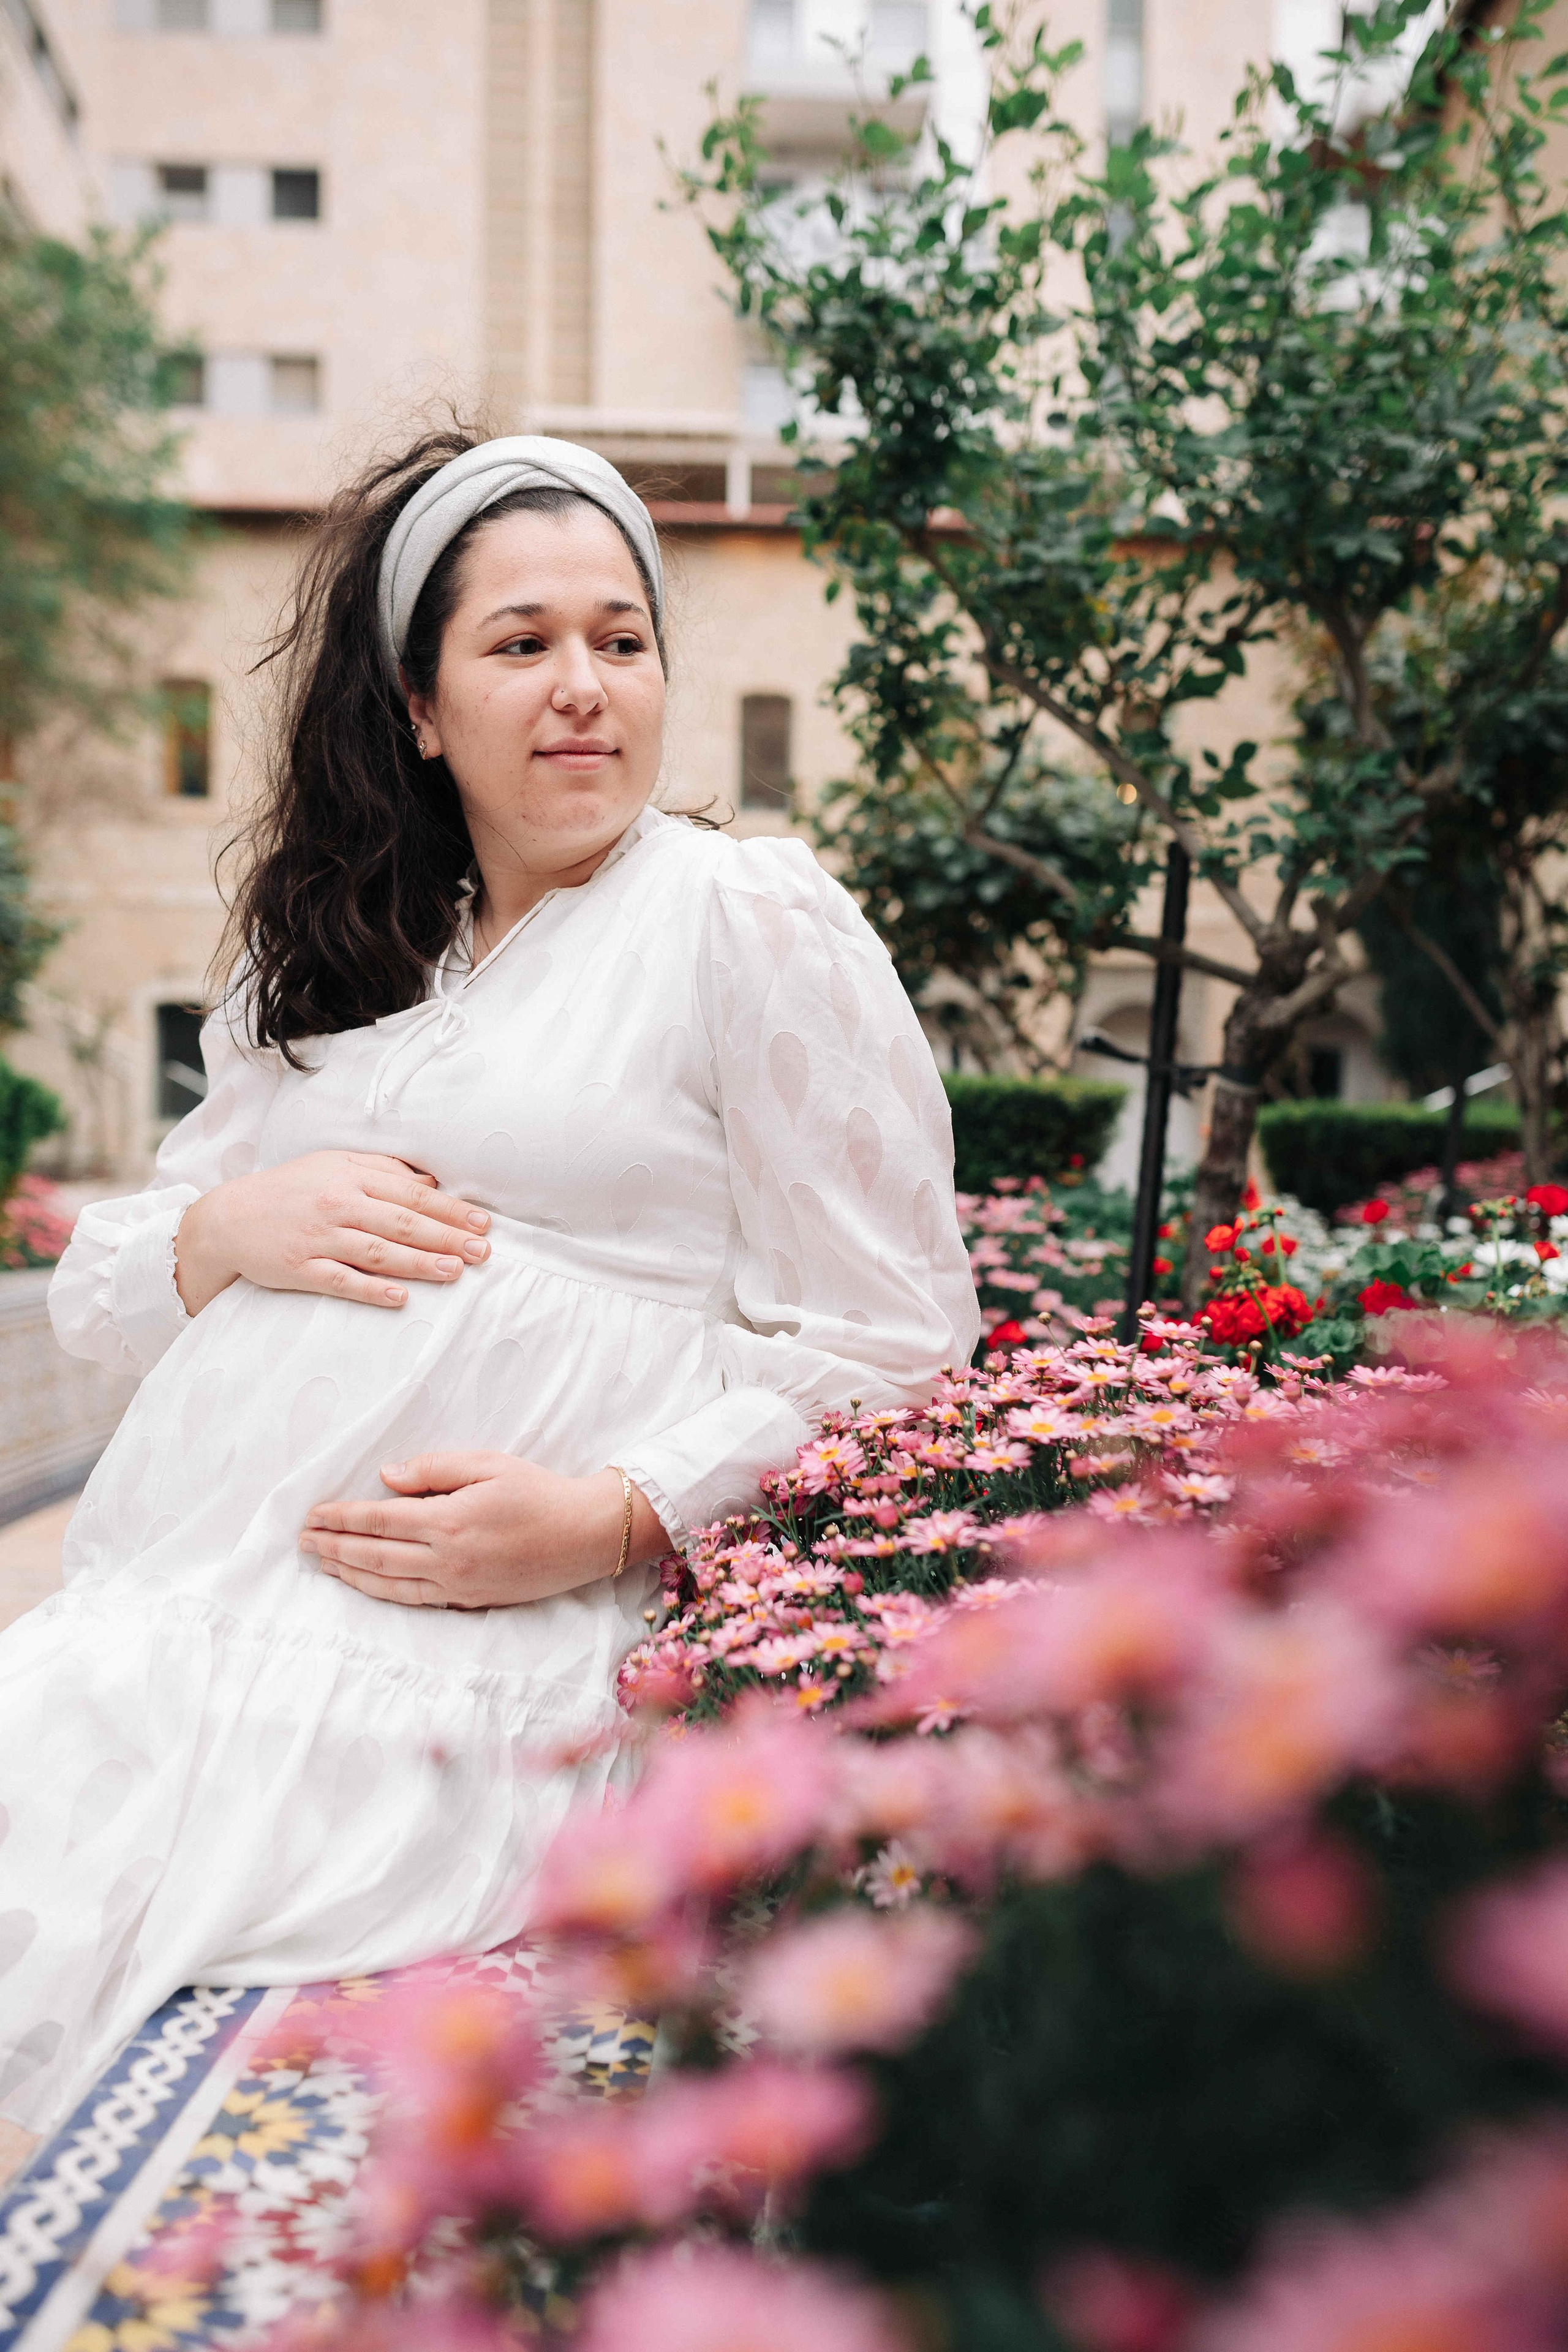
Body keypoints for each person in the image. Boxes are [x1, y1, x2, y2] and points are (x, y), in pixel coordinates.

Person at [0, 432, 979, 2135]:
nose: (584, 688)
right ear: (421, 705)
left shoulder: (743, 921)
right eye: (522, 644)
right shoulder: (332, 946)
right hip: (194, 1591)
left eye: (623, 639)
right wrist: (235, 1229)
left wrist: (616, 1512)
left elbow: (902, 1337)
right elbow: (112, 1294)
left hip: (491, 1631)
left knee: (150, 1886)